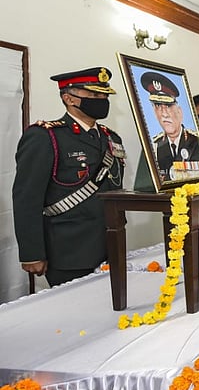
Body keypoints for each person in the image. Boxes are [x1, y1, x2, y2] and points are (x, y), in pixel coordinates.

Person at [13, 67, 126, 286]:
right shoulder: (45, 136)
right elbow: (27, 198)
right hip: (68, 251)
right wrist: (31, 252)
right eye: (94, 95)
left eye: (104, 95)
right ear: (69, 98)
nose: (101, 99)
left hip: (110, 243)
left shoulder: (110, 138)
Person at [143, 71, 199, 182]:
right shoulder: (154, 146)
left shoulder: (196, 141)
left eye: (168, 106)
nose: (164, 114)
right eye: (158, 106)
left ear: (180, 112)